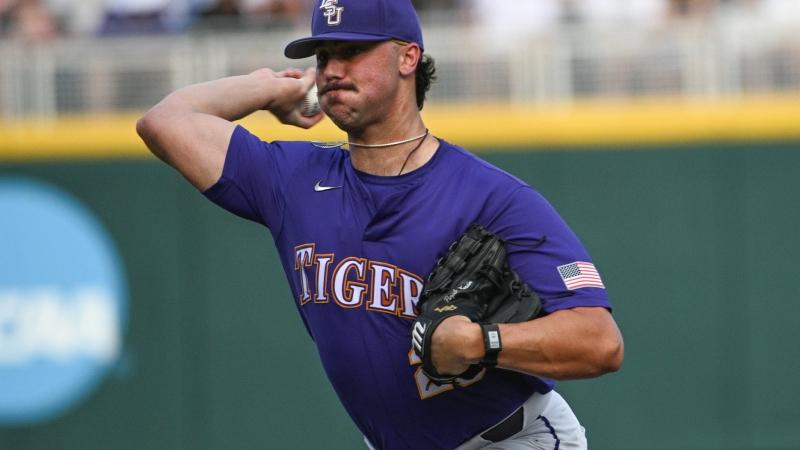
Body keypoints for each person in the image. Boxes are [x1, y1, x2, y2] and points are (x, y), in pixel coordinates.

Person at [136, 0, 624, 448]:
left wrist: (482, 341)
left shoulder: (493, 199)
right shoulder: (293, 180)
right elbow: (164, 122)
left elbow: (600, 342)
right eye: (324, 56)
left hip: (511, 440)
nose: (332, 70)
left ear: (408, 57)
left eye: (352, 51)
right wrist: (266, 88)